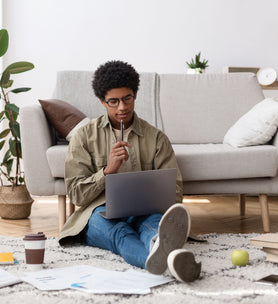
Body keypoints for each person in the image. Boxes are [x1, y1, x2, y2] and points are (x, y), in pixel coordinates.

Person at [58, 60, 201, 282]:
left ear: (135, 95)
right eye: (113, 102)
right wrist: (107, 171)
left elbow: (175, 190)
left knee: (155, 228)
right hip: (99, 212)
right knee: (119, 234)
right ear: (102, 101)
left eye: (127, 99)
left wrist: (155, 196)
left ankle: (159, 247)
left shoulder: (156, 138)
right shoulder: (84, 136)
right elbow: (76, 194)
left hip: (144, 210)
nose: (122, 107)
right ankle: (169, 261)